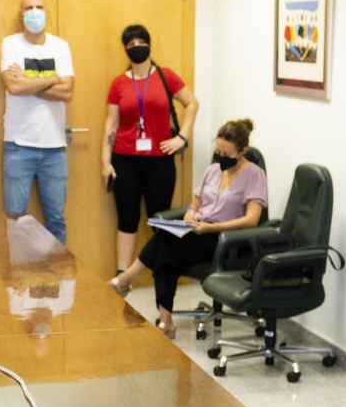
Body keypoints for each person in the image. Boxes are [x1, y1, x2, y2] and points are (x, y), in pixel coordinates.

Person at [108, 119, 266, 338]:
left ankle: (126, 281)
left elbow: (252, 220)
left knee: (166, 245)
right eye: (218, 151)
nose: (220, 157)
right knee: (167, 246)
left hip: (226, 239)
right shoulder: (213, 170)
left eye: (226, 154)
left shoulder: (255, 175)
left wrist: (211, 228)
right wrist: (189, 216)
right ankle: (164, 321)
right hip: (198, 230)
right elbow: (194, 205)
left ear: (243, 152)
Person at [101, 24, 198, 272]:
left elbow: (192, 103)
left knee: (160, 219)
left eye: (141, 42)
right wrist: (105, 161)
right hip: (124, 159)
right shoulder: (119, 83)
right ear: (125, 50)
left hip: (160, 160)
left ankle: (162, 274)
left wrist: (183, 138)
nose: (136, 48)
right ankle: (121, 277)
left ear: (149, 44)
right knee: (127, 219)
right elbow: (111, 122)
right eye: (130, 45)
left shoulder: (166, 76)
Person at [1, 0, 75, 243]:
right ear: (21, 14)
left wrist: (28, 80)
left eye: (39, 7)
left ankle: (60, 282)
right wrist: (54, 78)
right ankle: (17, 282)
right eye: (28, 7)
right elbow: (14, 88)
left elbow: (68, 91)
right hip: (18, 145)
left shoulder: (60, 46)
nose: (34, 12)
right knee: (15, 218)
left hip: (54, 148)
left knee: (56, 219)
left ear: (46, 12)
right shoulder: (10, 44)